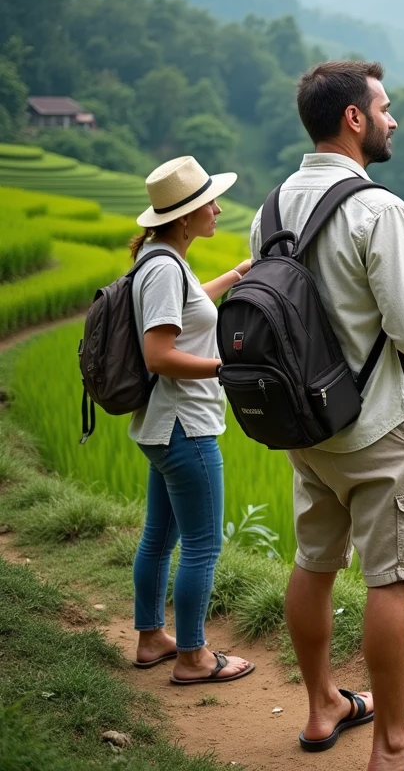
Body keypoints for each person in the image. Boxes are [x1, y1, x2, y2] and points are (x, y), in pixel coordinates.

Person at [250, 60, 404, 770]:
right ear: (354, 117)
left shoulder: (272, 209)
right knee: (392, 581)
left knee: (315, 564)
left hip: (306, 427)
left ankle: (322, 708)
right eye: (384, 107)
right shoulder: (379, 209)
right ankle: (395, 745)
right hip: (379, 427)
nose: (392, 118)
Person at [129, 156, 256, 685]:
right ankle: (193, 656)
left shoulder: (163, 261)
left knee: (159, 535)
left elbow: (187, 308)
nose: (218, 208)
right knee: (203, 545)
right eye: (209, 202)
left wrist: (240, 273)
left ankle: (151, 637)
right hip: (185, 426)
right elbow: (159, 353)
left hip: (165, 425)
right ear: (184, 217)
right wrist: (226, 367)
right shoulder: (162, 268)